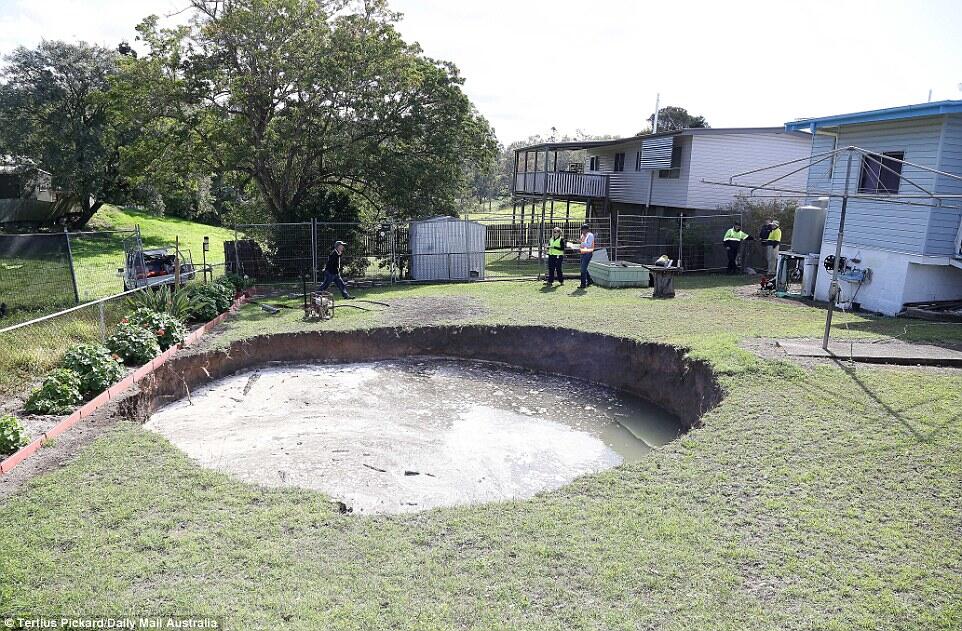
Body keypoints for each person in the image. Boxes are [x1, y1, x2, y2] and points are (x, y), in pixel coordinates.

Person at [568, 223, 595, 289]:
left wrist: (581, 243)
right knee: (584, 268)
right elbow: (582, 244)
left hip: (588, 253)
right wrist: (575, 244)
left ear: (587, 230)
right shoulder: (582, 235)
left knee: (583, 269)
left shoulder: (590, 235)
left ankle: (583, 284)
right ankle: (590, 280)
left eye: (583, 230)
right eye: (582, 230)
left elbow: (589, 245)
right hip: (583, 253)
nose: (582, 231)